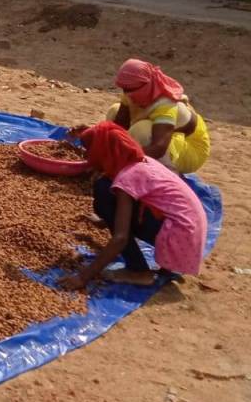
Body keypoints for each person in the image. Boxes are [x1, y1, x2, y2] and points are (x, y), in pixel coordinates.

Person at [59, 121, 207, 290]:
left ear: (102, 151)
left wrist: (83, 277)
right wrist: (104, 221)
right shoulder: (142, 161)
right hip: (190, 237)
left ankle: (139, 272)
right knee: (107, 189)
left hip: (180, 239)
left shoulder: (127, 176)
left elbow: (120, 238)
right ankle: (166, 264)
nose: (88, 155)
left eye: (90, 150)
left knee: (103, 190)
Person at [102, 58, 210, 174]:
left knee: (141, 130)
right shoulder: (132, 90)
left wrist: (124, 156)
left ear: (145, 86)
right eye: (125, 90)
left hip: (191, 149)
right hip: (165, 137)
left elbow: (159, 148)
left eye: (130, 90)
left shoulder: (165, 104)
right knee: (114, 111)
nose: (127, 94)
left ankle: (164, 173)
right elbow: (119, 126)